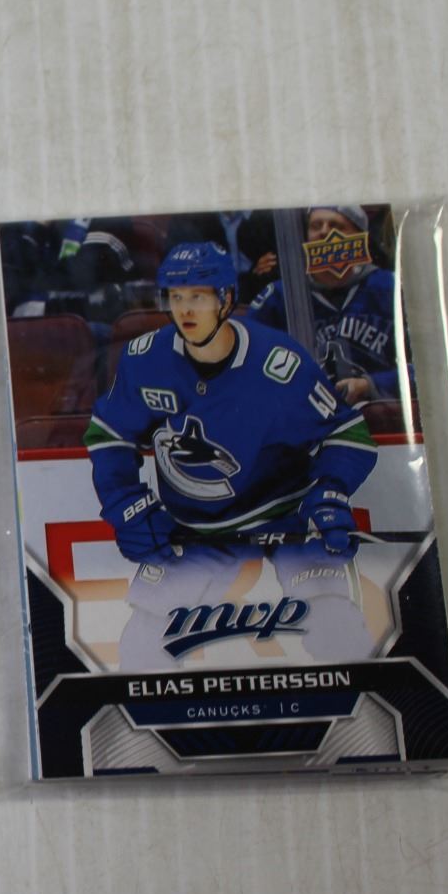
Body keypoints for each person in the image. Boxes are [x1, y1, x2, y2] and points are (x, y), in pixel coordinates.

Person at [85, 242, 380, 671]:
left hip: (284, 516)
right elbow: (108, 434)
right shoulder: (143, 359)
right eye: (176, 297)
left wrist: (330, 493)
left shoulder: (278, 364)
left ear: (226, 299)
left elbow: (346, 431)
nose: (186, 310)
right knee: (142, 647)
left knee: (338, 628)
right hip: (194, 527)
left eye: (199, 296)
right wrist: (127, 506)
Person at [246, 206, 405, 404]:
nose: (324, 232)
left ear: (359, 236)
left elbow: (425, 364)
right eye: (315, 226)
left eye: (336, 226)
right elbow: (247, 367)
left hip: (379, 414)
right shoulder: (278, 295)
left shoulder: (390, 287)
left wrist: (370, 384)